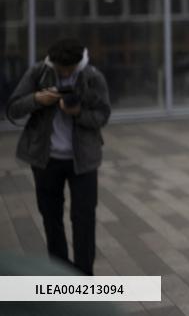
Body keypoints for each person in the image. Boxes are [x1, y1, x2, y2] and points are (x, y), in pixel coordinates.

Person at [5, 38, 111, 276]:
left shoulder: (93, 77)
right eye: (59, 69)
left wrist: (78, 113)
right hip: (46, 159)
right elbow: (12, 109)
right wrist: (37, 100)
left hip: (82, 161)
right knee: (51, 218)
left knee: (84, 218)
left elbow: (103, 115)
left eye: (69, 70)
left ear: (79, 64)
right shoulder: (39, 73)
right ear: (52, 63)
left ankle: (84, 277)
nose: (64, 74)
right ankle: (61, 275)